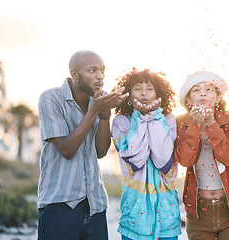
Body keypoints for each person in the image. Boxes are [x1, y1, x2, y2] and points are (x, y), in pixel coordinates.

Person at [37, 50, 129, 240]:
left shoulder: (96, 102)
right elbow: (66, 149)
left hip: (95, 204)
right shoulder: (51, 99)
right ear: (75, 74)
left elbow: (101, 151)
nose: (100, 76)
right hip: (60, 204)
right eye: (93, 70)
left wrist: (104, 114)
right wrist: (94, 110)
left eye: (102, 71)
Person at [174, 71, 229, 240]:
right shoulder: (181, 122)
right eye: (196, 90)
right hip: (198, 211)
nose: (203, 93)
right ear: (188, 100)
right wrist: (195, 125)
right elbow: (185, 159)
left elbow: (227, 156)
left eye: (209, 89)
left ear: (217, 98)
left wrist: (211, 123)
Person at [111, 68, 182, 240]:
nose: (144, 93)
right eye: (137, 89)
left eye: (149, 89)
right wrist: (140, 118)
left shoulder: (169, 119)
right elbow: (136, 159)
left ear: (159, 93)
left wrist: (155, 117)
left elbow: (163, 160)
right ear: (128, 94)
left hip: (166, 213)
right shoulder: (121, 122)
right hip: (135, 214)